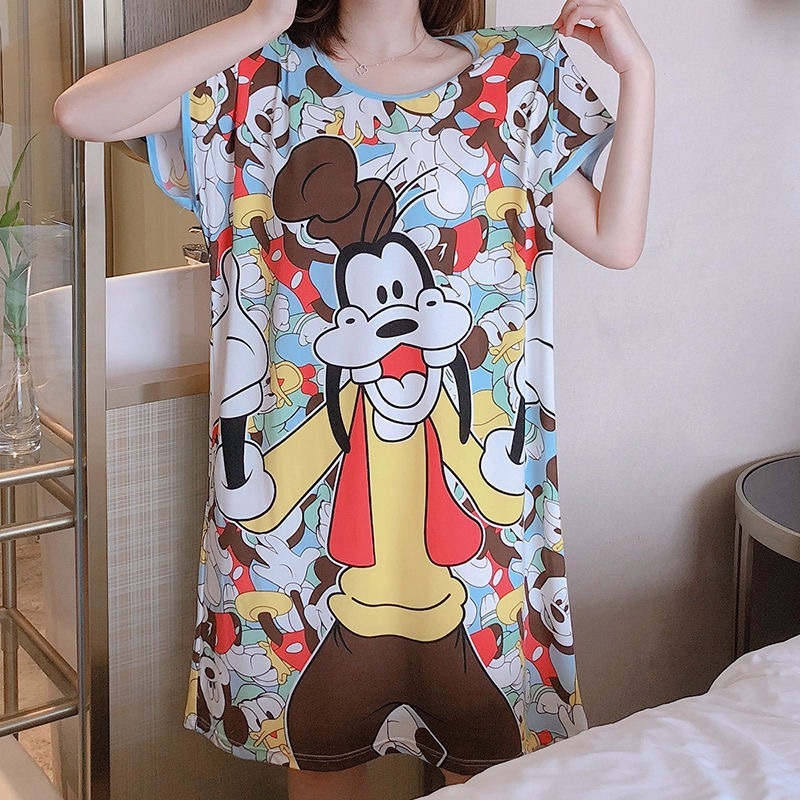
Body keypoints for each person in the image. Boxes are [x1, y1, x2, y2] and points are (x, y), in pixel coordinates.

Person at [54, 0, 653, 797]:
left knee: (490, 773)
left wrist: (638, 73)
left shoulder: (513, 80)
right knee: (326, 771)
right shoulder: (258, 82)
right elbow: (81, 112)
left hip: (481, 535)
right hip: (308, 548)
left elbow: (615, 239)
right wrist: (264, 17)